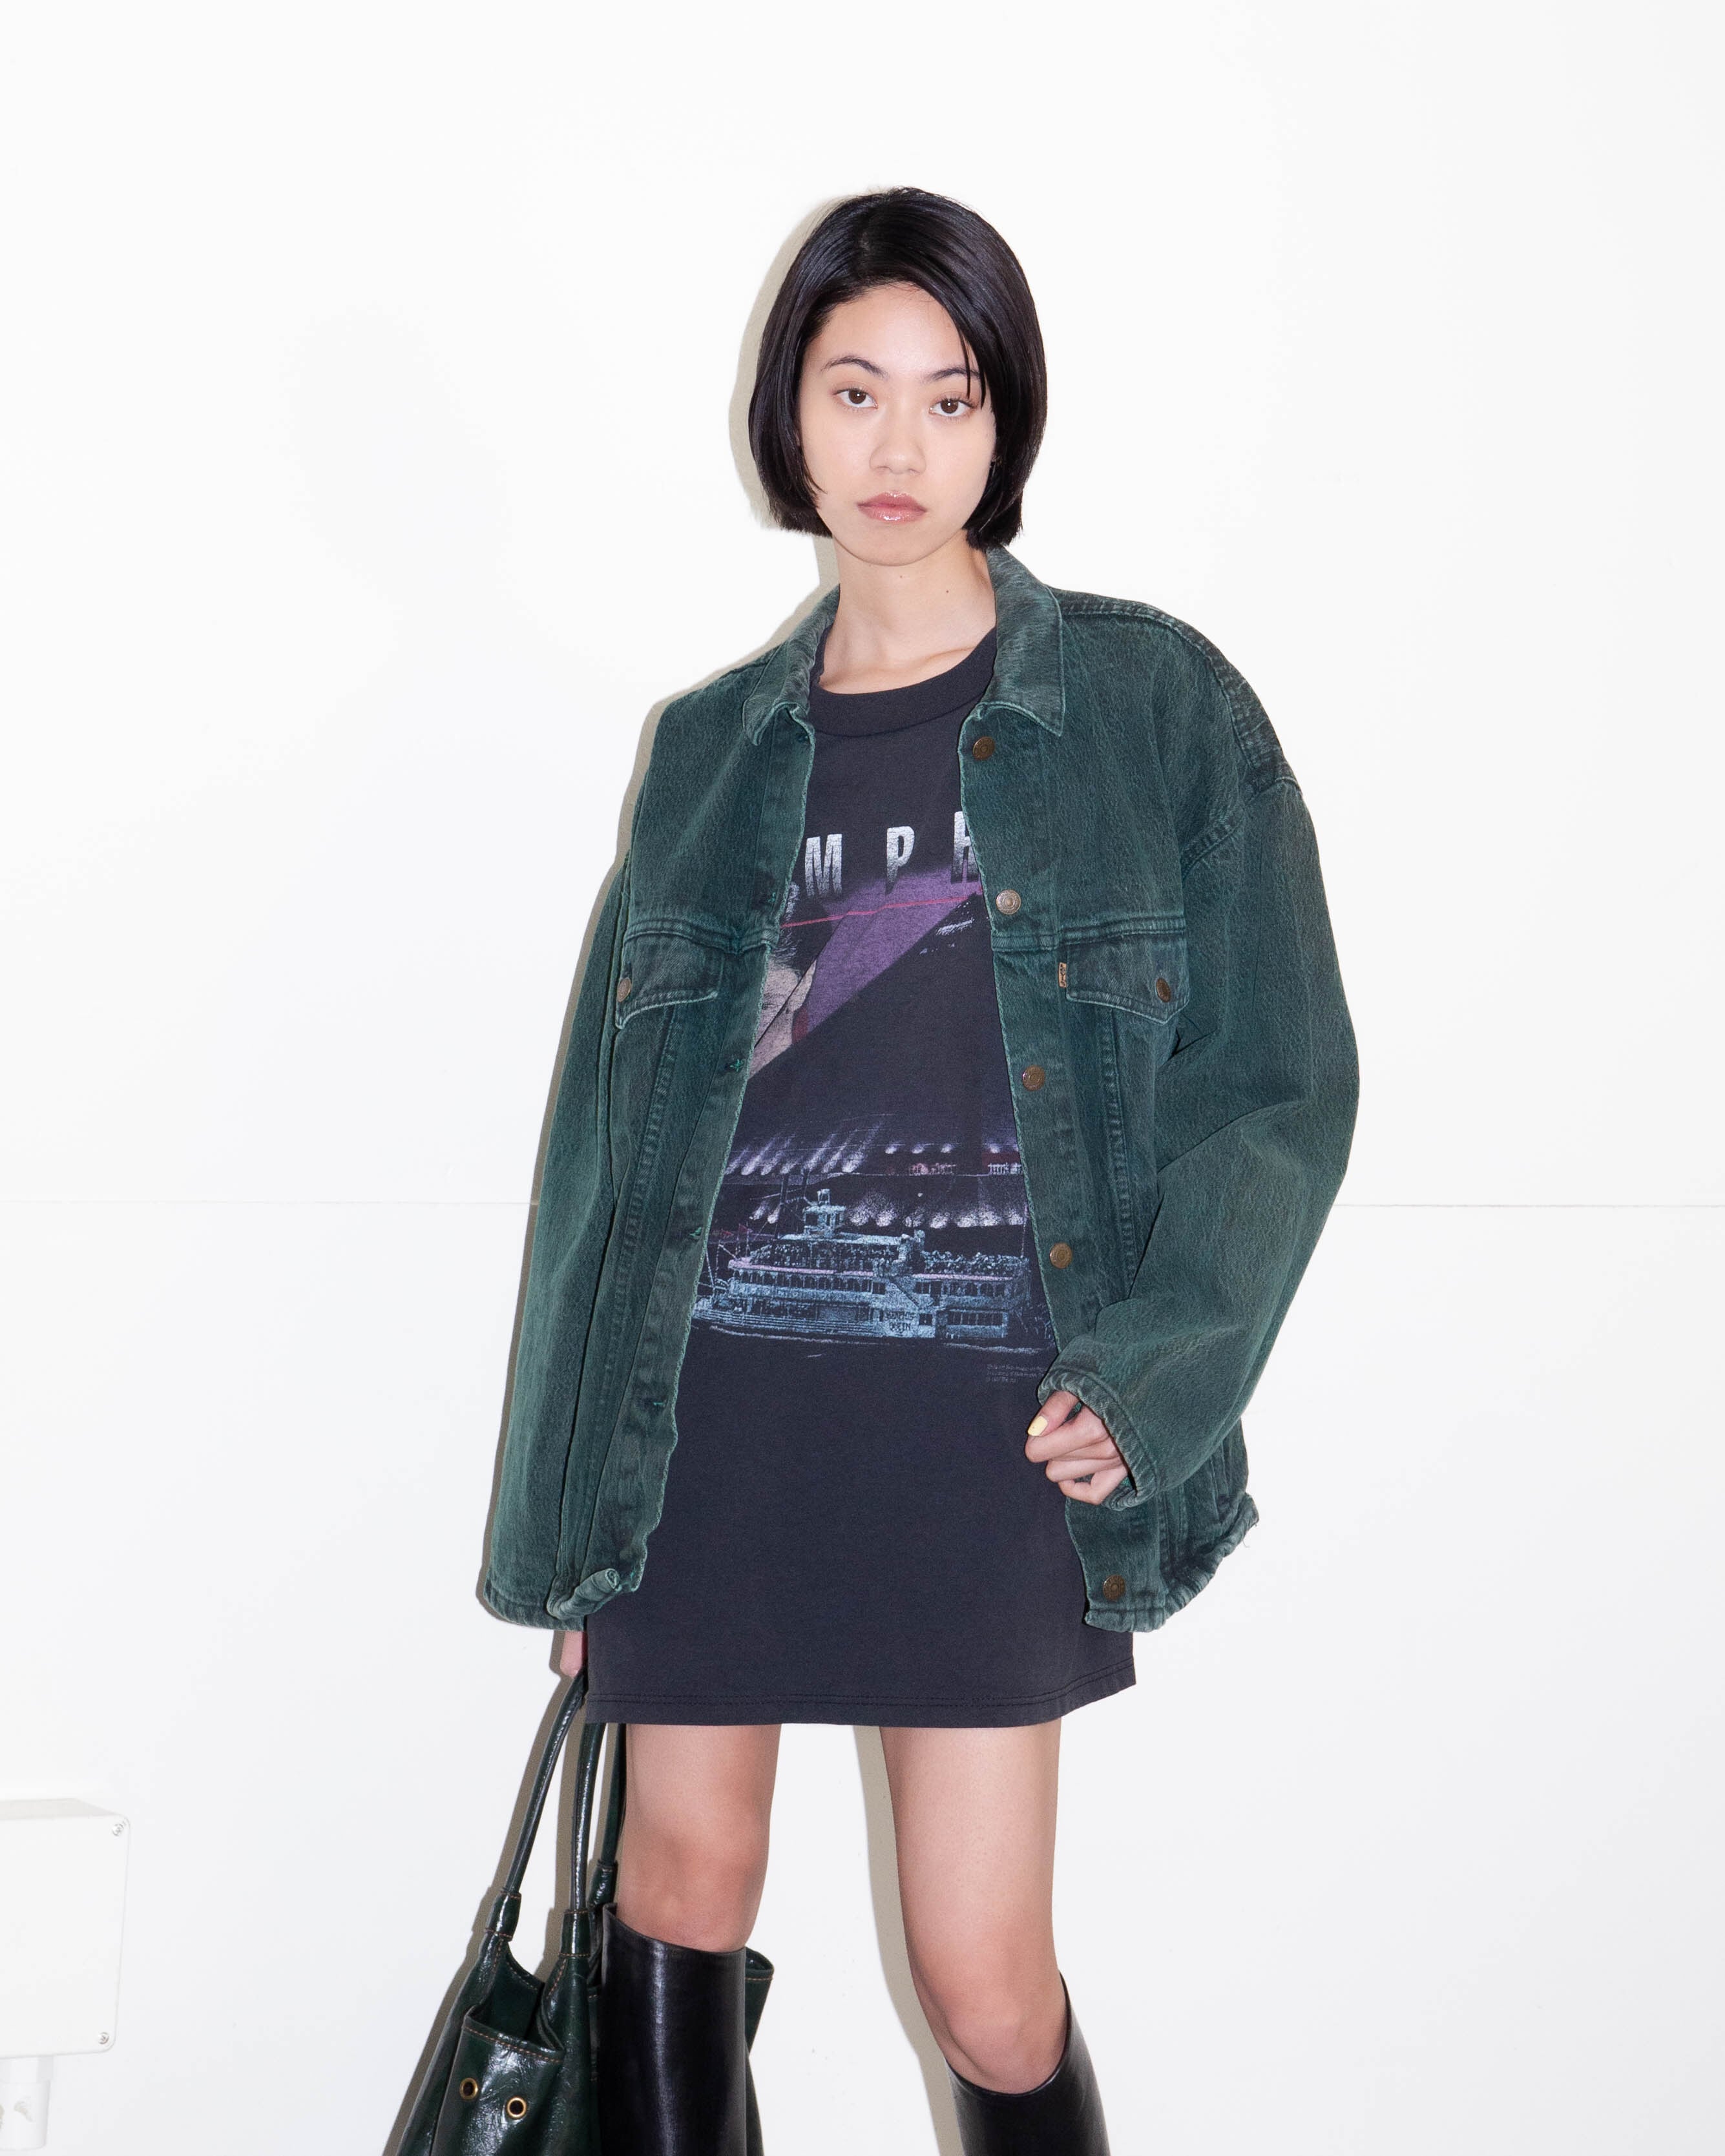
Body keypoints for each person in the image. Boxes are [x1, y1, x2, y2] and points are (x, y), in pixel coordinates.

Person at [481, 187, 1358, 2153]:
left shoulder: (1149, 707)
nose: (899, 446)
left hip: (991, 1435)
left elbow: (1282, 1085)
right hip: (714, 1428)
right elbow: (604, 1161)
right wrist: (578, 1517)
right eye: (854, 390)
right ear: (786, 415)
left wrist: (1159, 1375)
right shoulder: (709, 750)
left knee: (984, 1977)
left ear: (1004, 420)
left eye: (950, 398)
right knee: (676, 1893)